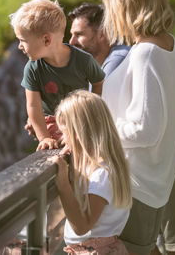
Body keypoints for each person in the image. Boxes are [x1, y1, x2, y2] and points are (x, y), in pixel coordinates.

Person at [68, 3, 175, 255]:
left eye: (79, 34)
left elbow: (100, 118)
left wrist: (72, 129)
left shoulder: (120, 61)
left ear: (102, 32)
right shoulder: (116, 61)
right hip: (158, 163)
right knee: (150, 245)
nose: (71, 42)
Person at [100, 0, 175, 255]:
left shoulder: (147, 53)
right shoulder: (168, 46)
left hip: (133, 192)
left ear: (124, 4)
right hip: (146, 188)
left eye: (109, 2)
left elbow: (145, 129)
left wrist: (95, 132)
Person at [9, 0, 105, 151]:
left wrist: (92, 110)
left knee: (84, 148)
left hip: (79, 119)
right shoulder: (32, 69)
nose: (20, 46)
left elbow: (98, 82)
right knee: (58, 155)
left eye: (22, 40)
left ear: (46, 39)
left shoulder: (83, 60)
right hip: (52, 123)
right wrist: (44, 137)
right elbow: (33, 106)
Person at [49, 90, 131, 255]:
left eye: (65, 133)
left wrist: (63, 184)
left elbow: (82, 226)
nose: (62, 140)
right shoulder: (99, 167)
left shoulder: (102, 175)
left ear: (78, 133)